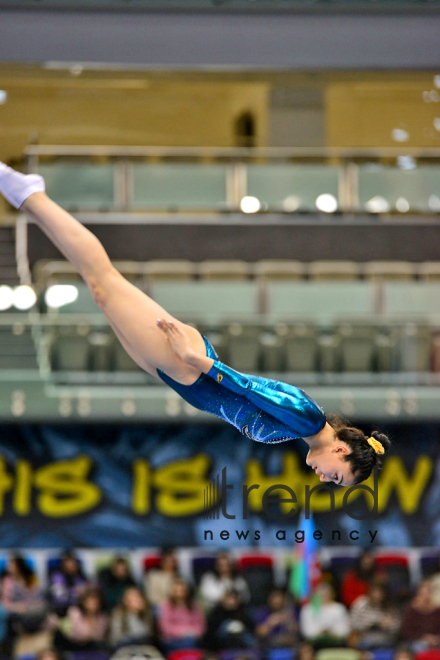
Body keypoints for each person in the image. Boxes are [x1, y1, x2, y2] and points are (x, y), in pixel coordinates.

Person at [0, 163, 391, 486]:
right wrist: (194, 359)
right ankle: (28, 193)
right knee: (103, 280)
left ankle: (29, 200)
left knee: (100, 286)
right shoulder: (308, 417)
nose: (325, 479)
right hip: (188, 363)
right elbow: (250, 387)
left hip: (181, 374)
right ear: (341, 451)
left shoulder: (301, 430)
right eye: (337, 478)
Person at [157, 577, 205, 654]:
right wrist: (183, 632)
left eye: (182, 590)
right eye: (177, 590)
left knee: (191, 642)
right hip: (172, 640)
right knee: (189, 643)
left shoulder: (194, 605)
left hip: (192, 638)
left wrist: (193, 632)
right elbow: (165, 627)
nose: (179, 593)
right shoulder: (166, 605)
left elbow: (201, 625)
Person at [54, 587, 108, 652]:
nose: (93, 603)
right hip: (74, 647)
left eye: (95, 600)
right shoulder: (74, 612)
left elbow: (99, 636)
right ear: (83, 601)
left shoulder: (103, 617)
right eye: (90, 600)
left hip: (95, 649)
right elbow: (78, 635)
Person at [299, 582, 351, 650]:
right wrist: (321, 631)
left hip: (337, 645)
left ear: (332, 594)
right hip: (314, 646)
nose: (324, 596)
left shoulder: (339, 608)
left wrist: (330, 632)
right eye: (321, 594)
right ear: (315, 594)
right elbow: (307, 631)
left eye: (327, 593)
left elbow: (345, 630)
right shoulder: (308, 609)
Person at [350, 581, 400, 649]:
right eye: (375, 592)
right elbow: (353, 624)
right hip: (364, 640)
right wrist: (370, 624)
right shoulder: (361, 604)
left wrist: (389, 625)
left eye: (380, 592)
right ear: (370, 592)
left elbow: (397, 627)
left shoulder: (390, 607)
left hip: (385, 641)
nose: (377, 595)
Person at [400, 581, 440, 654]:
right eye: (422, 593)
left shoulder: (437, 610)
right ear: (418, 593)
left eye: (428, 592)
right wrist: (423, 637)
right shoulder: (411, 610)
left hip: (436, 639)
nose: (425, 595)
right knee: (419, 647)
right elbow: (406, 629)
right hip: (417, 640)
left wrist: (436, 638)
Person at [48, 551, 88, 616]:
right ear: (63, 564)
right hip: (61, 609)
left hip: (79, 607)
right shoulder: (57, 577)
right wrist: (74, 591)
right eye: (68, 562)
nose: (71, 565)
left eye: (73, 562)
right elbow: (59, 596)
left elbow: (85, 592)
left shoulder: (80, 577)